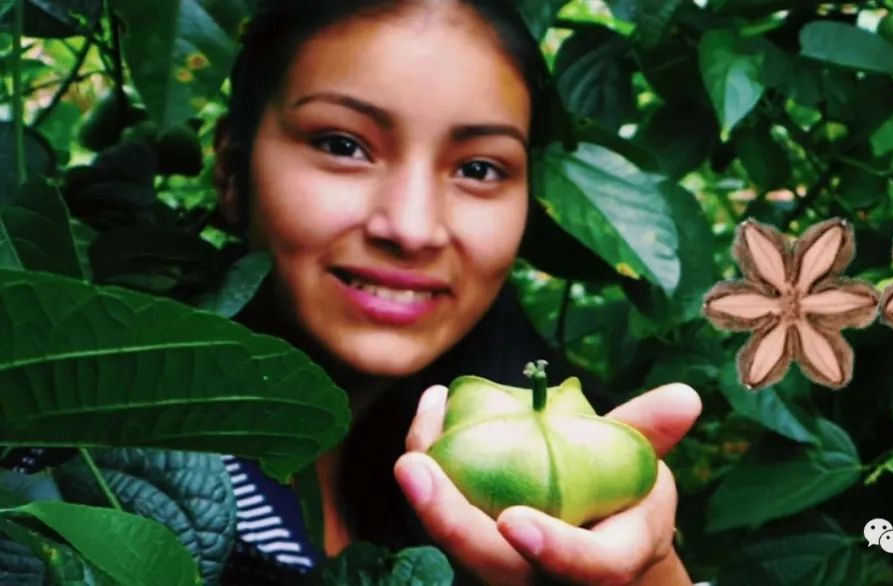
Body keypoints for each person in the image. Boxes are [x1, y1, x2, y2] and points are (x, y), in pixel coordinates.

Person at [214, 0, 703, 584]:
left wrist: (651, 573)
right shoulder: (107, 471)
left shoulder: (548, 463)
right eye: (343, 145)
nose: (413, 228)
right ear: (231, 171)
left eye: (479, 169)